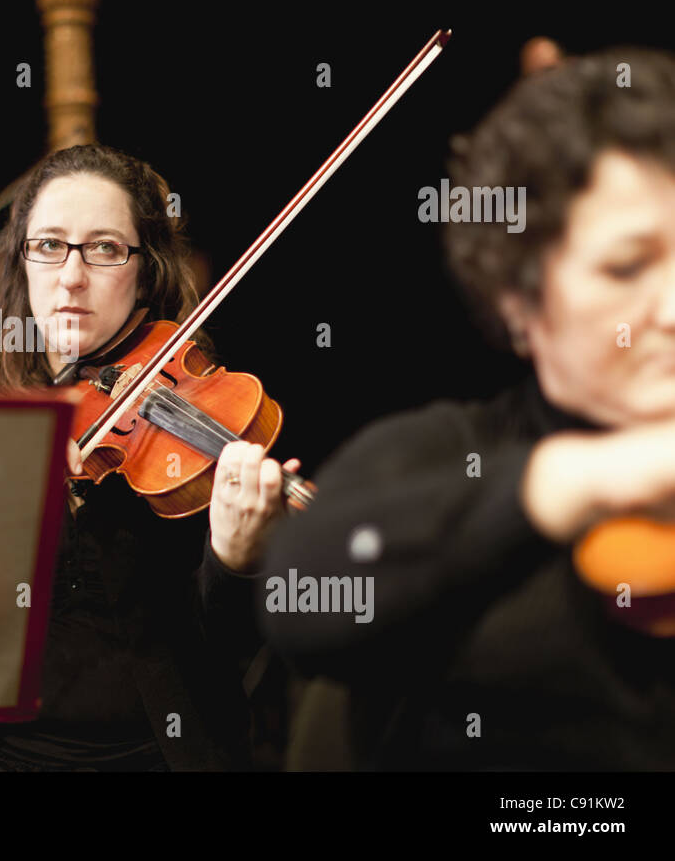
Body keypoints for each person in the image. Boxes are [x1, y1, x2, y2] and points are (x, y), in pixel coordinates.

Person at [262, 48, 675, 769]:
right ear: (520, 297)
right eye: (626, 266)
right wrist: (582, 478)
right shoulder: (451, 449)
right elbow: (303, 594)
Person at [0, 143, 302, 771]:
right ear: (22, 263)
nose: (71, 275)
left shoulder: (195, 414)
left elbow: (230, 649)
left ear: (145, 271)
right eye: (50, 245)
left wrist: (234, 559)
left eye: (105, 249)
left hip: (154, 755)